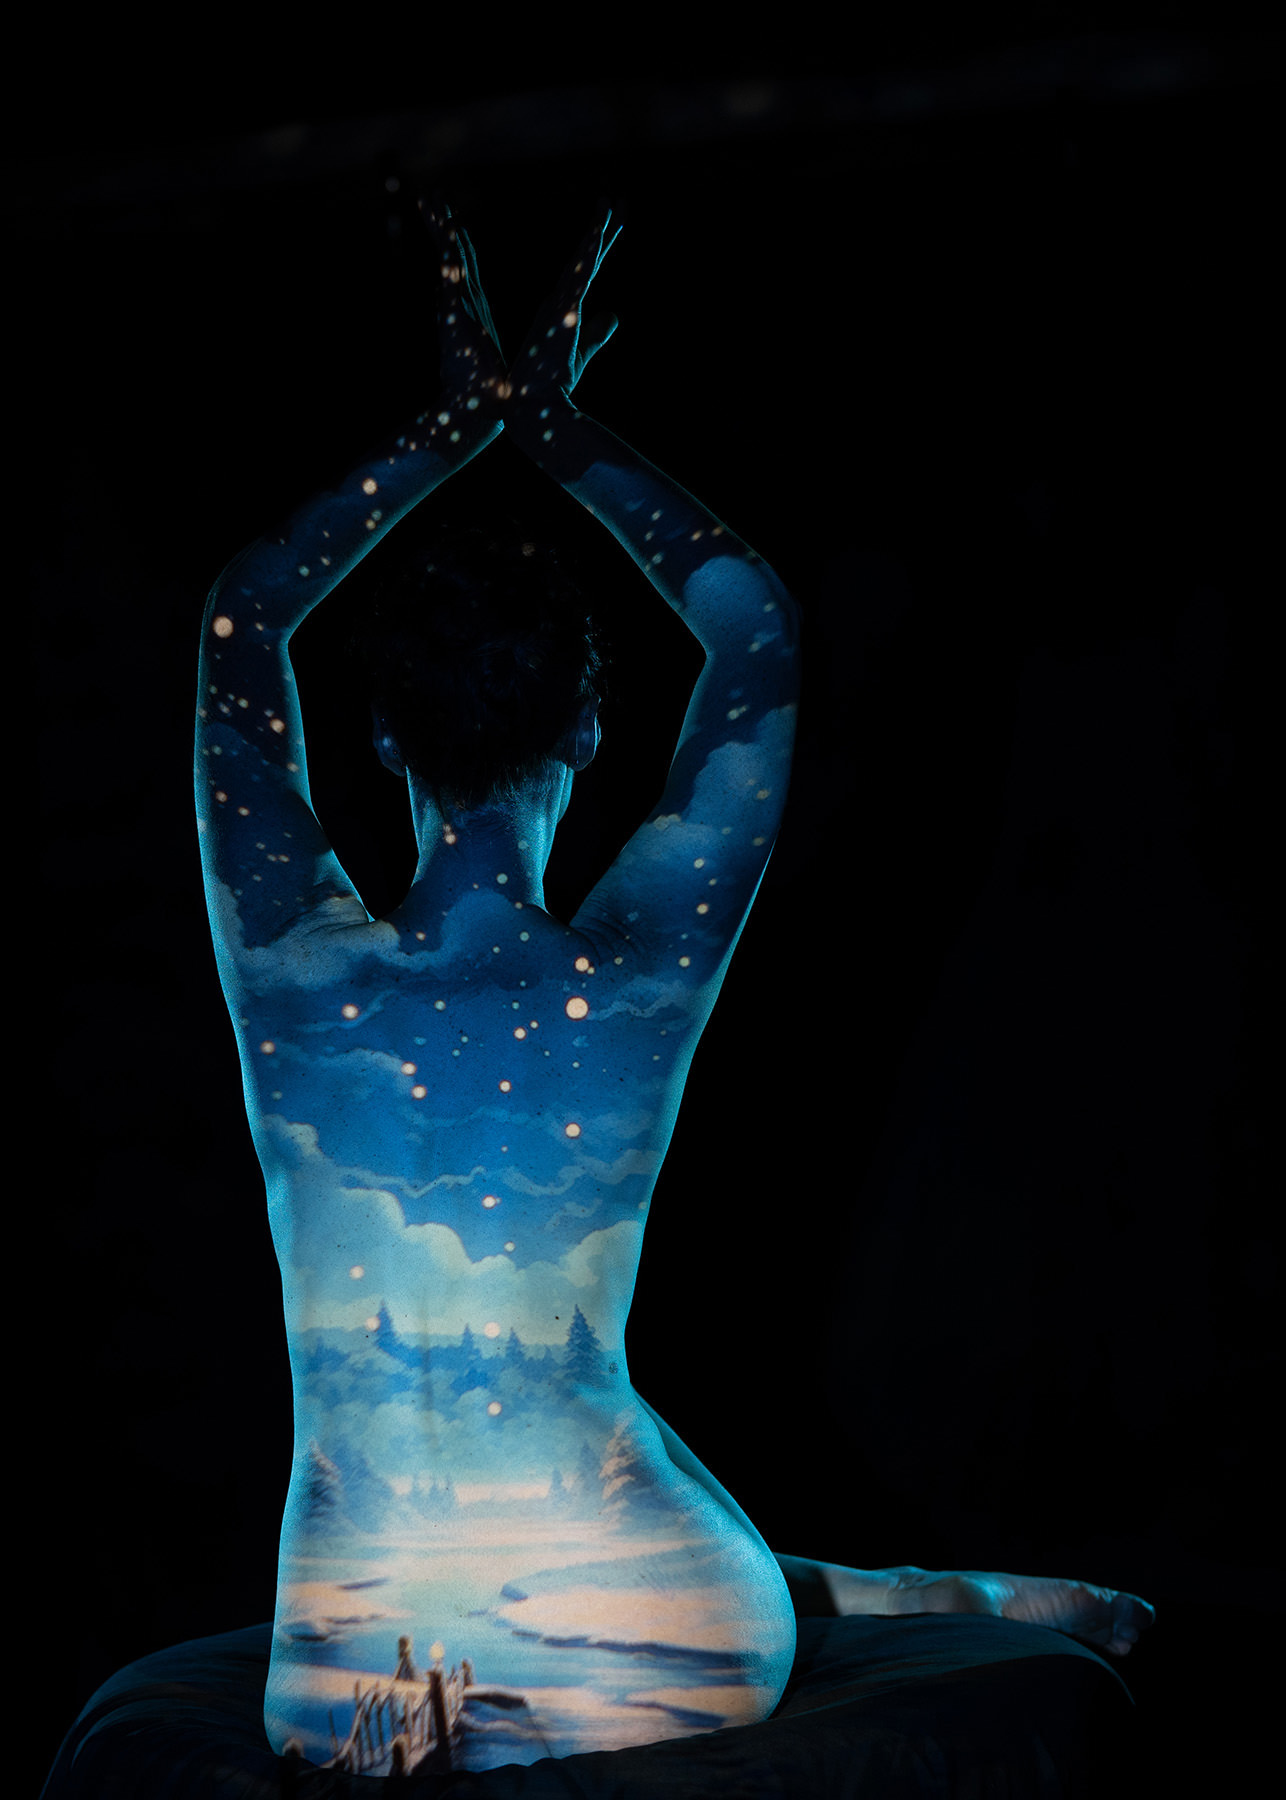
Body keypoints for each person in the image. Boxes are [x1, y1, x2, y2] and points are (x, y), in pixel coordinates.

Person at [194, 197, 1154, 1776]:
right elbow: (751, 625)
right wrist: (553, 430)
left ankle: (884, 1594)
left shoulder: (288, 971)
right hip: (652, 1642)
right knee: (628, 1447)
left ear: (377, 739)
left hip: (349, 1672)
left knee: (577, 1476)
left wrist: (446, 430)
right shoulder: (636, 969)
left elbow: (242, 622)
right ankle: (888, 1595)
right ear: (587, 734)